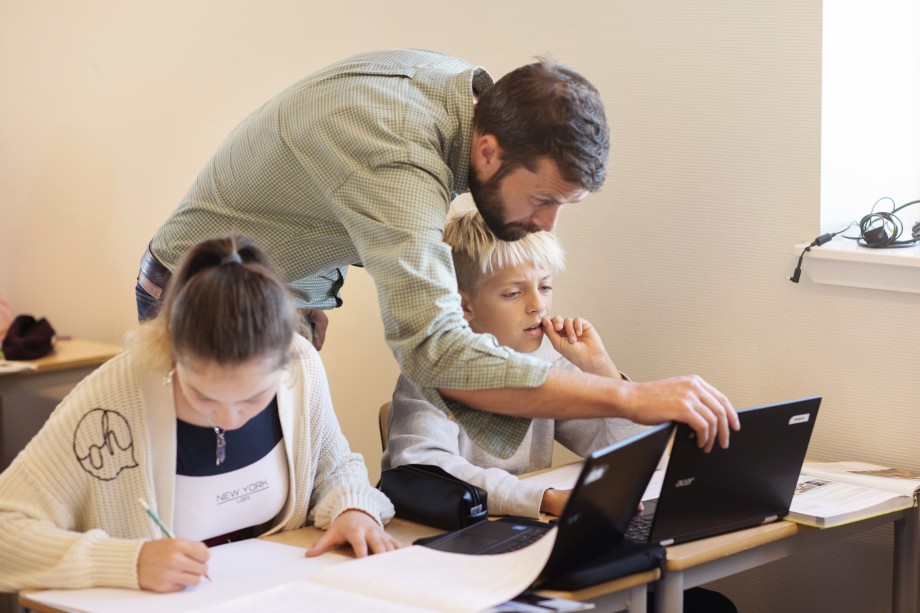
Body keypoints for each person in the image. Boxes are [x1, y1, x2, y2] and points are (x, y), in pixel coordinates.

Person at [137, 48, 738, 460]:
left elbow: (341, 199)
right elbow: (434, 347)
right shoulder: (395, 148)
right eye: (543, 199)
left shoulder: (469, 98)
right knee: (230, 511)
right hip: (199, 299)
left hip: (285, 294)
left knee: (293, 488)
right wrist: (630, 395)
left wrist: (312, 287)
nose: (547, 223)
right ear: (487, 152)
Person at [0, 236, 397, 594]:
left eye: (254, 398)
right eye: (204, 396)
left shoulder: (301, 366)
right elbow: (7, 529)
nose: (229, 418)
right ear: (170, 349)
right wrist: (128, 562)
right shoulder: (113, 397)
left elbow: (336, 466)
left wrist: (353, 508)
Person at [383, 209, 649, 518]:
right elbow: (423, 467)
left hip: (520, 523)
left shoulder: (548, 362)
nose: (538, 305)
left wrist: (601, 369)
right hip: (449, 533)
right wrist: (541, 499)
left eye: (545, 287)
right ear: (464, 305)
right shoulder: (430, 371)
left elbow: (630, 458)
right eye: (513, 293)